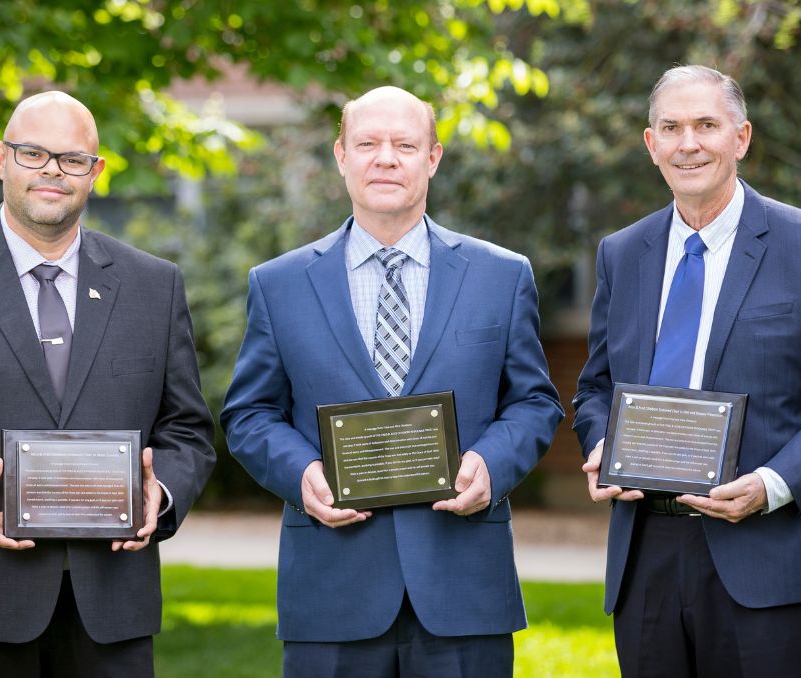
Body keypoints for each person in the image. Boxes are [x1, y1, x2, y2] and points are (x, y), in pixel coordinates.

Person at [221, 86, 563, 677]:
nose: (385, 158)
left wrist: (491, 465)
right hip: (331, 589)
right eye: (368, 143)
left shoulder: (501, 276)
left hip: (463, 587)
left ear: (432, 158)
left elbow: (534, 401)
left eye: (404, 144)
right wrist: (302, 474)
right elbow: (249, 415)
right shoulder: (279, 284)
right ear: (341, 156)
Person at [0, 91, 215, 678]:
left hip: (112, 603)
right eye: (33, 153)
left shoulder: (154, 285)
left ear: (95, 172)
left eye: (73, 158)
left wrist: (162, 493)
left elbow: (188, 429)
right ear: (0, 157)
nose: (53, 170)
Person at [574, 65, 801, 676]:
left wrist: (773, 485)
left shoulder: (799, 245)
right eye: (671, 128)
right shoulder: (622, 254)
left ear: (741, 137)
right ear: (651, 146)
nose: (689, 143)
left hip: (765, 557)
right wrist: (601, 443)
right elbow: (595, 386)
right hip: (645, 551)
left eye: (707, 124)